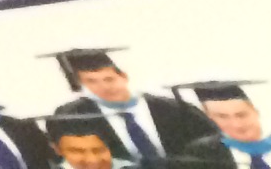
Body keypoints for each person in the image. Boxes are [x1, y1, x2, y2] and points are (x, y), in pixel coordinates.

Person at [47, 52, 214, 164]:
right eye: (91, 82)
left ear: (123, 76)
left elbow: (212, 149)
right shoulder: (71, 118)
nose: (104, 87)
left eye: (109, 79)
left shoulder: (177, 110)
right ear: (80, 85)